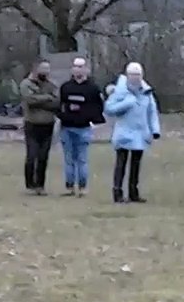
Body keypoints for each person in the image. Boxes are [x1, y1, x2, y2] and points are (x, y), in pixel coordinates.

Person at [104, 62, 161, 204]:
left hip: (141, 134)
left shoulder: (146, 92)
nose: (135, 78)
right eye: (132, 75)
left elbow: (152, 112)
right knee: (121, 164)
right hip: (123, 133)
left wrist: (155, 130)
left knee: (136, 164)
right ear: (127, 76)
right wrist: (127, 103)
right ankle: (117, 192)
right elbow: (109, 108)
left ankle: (133, 193)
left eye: (138, 75)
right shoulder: (120, 91)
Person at [56, 56, 105, 197]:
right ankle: (69, 187)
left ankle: (83, 187)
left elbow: (98, 107)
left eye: (81, 66)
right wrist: (64, 116)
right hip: (67, 127)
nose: (78, 69)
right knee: (68, 159)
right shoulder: (65, 87)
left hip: (83, 128)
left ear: (86, 69)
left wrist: (89, 117)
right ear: (72, 69)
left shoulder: (93, 88)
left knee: (82, 159)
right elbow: (59, 106)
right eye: (76, 66)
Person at [19, 58, 60, 195]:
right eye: (43, 69)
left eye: (48, 69)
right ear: (36, 69)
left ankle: (40, 185)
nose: (46, 72)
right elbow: (30, 100)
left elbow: (56, 102)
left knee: (43, 156)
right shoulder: (26, 84)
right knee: (32, 155)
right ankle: (30, 183)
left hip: (48, 125)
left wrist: (41, 99)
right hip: (32, 124)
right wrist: (46, 98)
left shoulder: (51, 84)